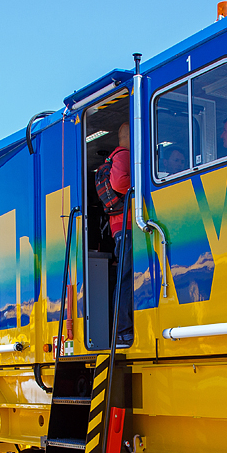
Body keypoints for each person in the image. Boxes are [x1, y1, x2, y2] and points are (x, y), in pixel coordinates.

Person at [99, 122, 134, 345]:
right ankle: (123, 330)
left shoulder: (116, 156)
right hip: (126, 225)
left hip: (119, 226)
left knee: (126, 276)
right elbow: (121, 184)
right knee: (127, 278)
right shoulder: (124, 155)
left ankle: (123, 329)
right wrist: (146, 185)